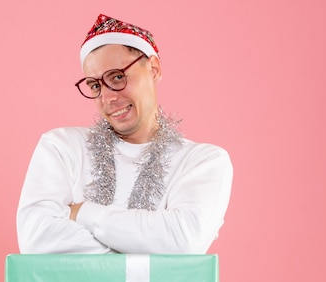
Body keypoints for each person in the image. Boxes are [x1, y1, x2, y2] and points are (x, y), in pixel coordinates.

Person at [16, 14, 233, 254]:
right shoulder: (62, 148)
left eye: (118, 77)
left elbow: (185, 240)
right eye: (95, 85)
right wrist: (147, 248)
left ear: (153, 69)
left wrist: (83, 212)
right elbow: (35, 238)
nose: (107, 98)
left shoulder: (203, 161)